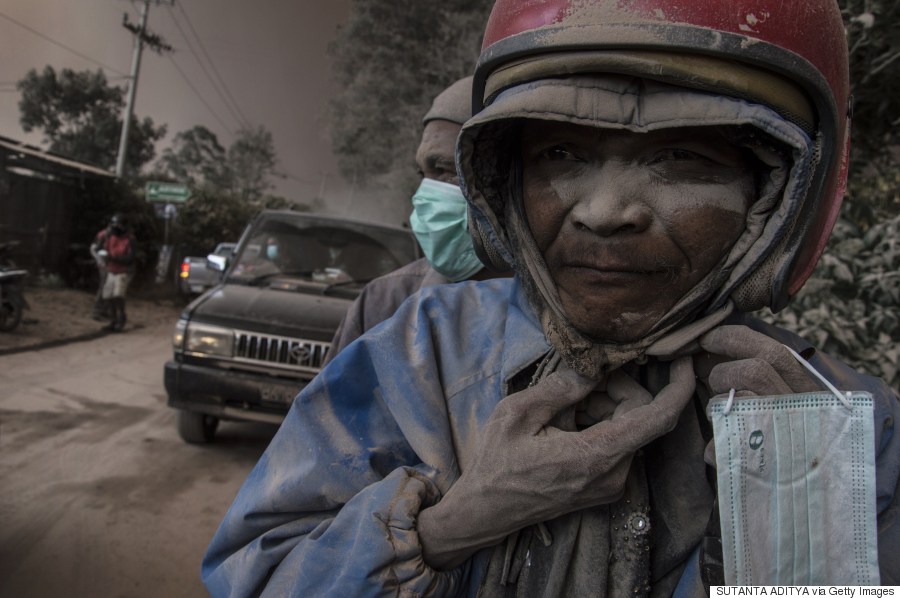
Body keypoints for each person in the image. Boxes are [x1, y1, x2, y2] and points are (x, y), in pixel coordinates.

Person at [202, 0, 900, 594]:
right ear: (507, 176)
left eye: (683, 157)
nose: (605, 211)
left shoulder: (846, 429)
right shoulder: (418, 354)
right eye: (561, 156)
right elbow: (253, 574)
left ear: (773, 196)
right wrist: (455, 523)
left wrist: (804, 546)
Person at [327, 76, 506, 362]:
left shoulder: (567, 313)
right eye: (423, 174)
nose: (424, 195)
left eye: (445, 170)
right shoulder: (381, 306)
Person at [90, 213, 135, 332]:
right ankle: (113, 320)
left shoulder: (129, 240)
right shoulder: (109, 237)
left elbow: (130, 259)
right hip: (111, 270)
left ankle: (121, 318)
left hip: (123, 271)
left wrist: (113, 258)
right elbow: (100, 249)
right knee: (107, 296)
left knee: (118, 295)